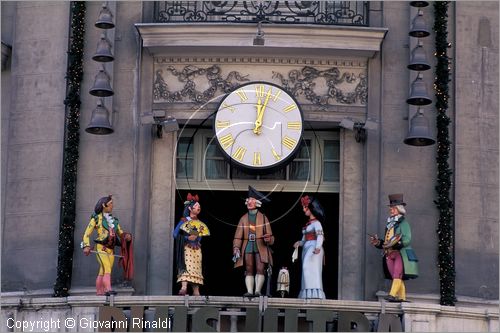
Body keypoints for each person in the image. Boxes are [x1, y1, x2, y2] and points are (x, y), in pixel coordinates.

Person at [369, 193, 419, 302]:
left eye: (393, 208)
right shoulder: (390, 224)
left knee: (397, 274)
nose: (391, 210)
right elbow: (387, 242)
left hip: (400, 253)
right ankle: (402, 297)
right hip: (388, 254)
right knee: (395, 276)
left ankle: (392, 295)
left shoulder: (403, 223)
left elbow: (407, 238)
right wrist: (378, 242)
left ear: (399, 209)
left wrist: (396, 243)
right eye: (391, 208)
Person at [82, 195, 132, 296]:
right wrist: (86, 245)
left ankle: (100, 292)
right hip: (101, 248)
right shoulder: (96, 219)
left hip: (111, 249)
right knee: (107, 268)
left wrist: (126, 236)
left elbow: (120, 232)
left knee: (103, 270)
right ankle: (108, 289)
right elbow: (87, 233)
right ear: (104, 205)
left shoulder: (114, 220)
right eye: (110, 204)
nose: (112, 206)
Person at [233, 186, 274, 297]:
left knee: (261, 268)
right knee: (249, 268)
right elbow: (237, 237)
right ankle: (250, 291)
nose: (249, 202)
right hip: (248, 246)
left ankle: (258, 291)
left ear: (257, 203)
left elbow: (271, 236)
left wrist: (268, 239)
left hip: (260, 247)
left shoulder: (264, 218)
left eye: (252, 200)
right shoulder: (243, 218)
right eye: (249, 200)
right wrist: (236, 247)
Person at [173, 193, 210, 296]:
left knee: (196, 268)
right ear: (190, 208)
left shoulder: (199, 223)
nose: (199, 208)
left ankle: (196, 291)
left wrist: (198, 238)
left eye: (199, 206)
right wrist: (186, 238)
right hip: (187, 248)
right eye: (197, 206)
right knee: (186, 267)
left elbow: (201, 234)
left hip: (196, 249)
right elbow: (175, 234)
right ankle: (183, 287)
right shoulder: (184, 221)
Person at [293, 195, 326, 299]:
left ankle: (315, 293)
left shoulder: (317, 223)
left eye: (305, 207)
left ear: (311, 208)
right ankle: (307, 293)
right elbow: (304, 240)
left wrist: (318, 247)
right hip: (306, 248)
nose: (304, 210)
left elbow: (320, 235)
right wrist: (299, 242)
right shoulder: (308, 224)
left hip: (313, 248)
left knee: (310, 269)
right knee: (305, 270)